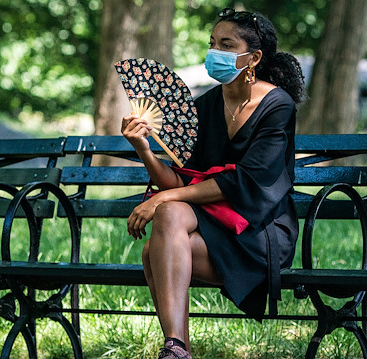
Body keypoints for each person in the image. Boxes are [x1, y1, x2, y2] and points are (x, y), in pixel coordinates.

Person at [122, 8, 305, 359]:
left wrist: (162, 199)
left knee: (156, 241)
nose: (214, 52)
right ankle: (176, 349)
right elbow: (177, 179)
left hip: (260, 229)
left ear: (253, 57)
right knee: (169, 217)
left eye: (225, 44)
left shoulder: (276, 106)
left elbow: (245, 181)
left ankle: (177, 349)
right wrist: (143, 148)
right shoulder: (205, 105)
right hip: (211, 223)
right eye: (211, 43)